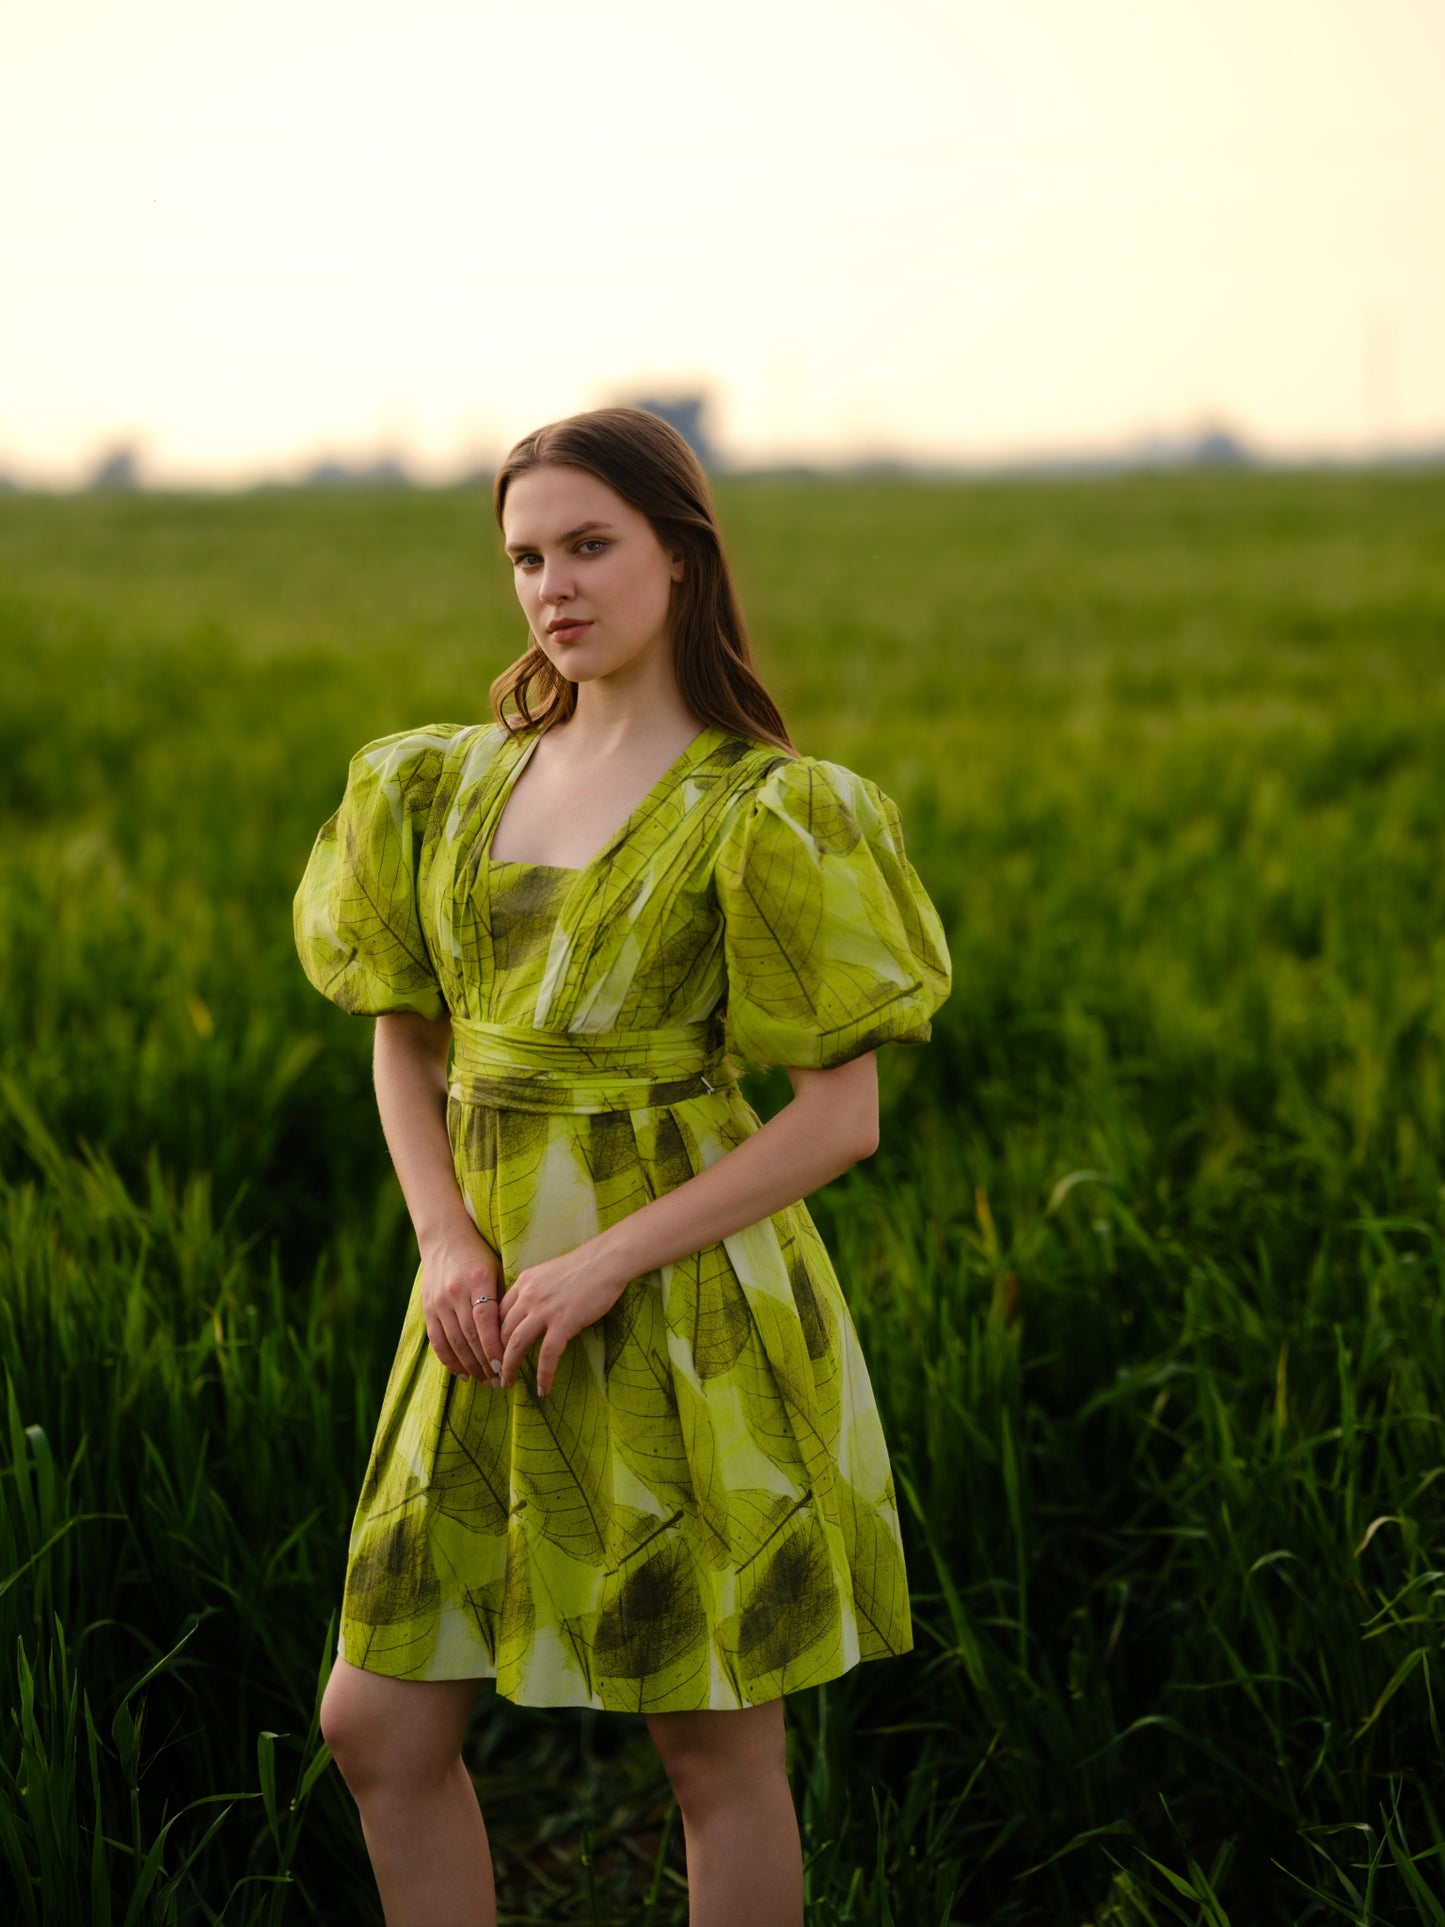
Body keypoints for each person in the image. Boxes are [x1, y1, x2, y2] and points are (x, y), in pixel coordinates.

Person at [292, 405, 952, 1927]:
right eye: (525, 555)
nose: (551, 586)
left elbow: (835, 1117)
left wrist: (601, 1259)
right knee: (375, 1723)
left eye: (589, 545)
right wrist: (447, 1243)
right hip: (475, 1309)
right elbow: (407, 1037)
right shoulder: (433, 787)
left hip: (680, 1310)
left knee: (711, 1746)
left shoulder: (770, 809)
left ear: (679, 555)